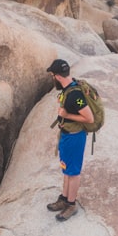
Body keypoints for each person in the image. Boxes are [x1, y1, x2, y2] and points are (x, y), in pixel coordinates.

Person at [46, 59, 94, 221]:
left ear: (58, 76)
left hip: (75, 138)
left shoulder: (75, 94)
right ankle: (64, 199)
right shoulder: (68, 89)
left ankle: (71, 205)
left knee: (73, 172)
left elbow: (89, 118)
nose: (52, 78)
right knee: (66, 168)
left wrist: (66, 115)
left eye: (52, 75)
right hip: (67, 135)